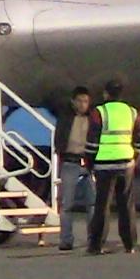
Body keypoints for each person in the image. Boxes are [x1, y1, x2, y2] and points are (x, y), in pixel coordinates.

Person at [89, 78, 140, 254]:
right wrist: (134, 158)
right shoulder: (132, 112)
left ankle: (96, 245)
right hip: (126, 164)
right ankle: (130, 244)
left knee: (102, 206)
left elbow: (92, 142)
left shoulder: (100, 112)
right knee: (127, 205)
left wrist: (90, 163)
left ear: (106, 93)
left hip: (104, 166)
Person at [52, 87, 97, 251]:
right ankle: (66, 239)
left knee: (92, 203)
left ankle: (93, 238)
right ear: (73, 101)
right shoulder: (65, 117)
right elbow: (59, 137)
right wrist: (61, 152)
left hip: (89, 162)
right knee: (66, 204)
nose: (83, 104)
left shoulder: (93, 118)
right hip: (71, 161)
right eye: (79, 101)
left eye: (86, 101)